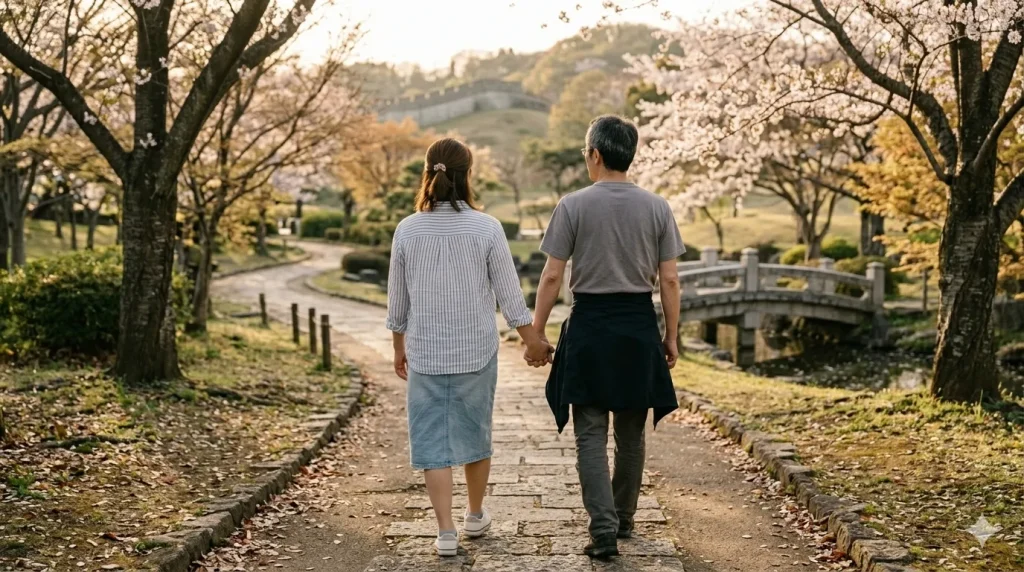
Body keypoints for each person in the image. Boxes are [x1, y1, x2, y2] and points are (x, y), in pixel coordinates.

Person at [386, 138, 553, 557]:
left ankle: (445, 531)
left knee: (431, 440)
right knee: (474, 431)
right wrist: (532, 340)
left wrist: (398, 348)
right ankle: (475, 515)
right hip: (476, 349)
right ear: (468, 175)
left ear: (428, 173)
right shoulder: (487, 227)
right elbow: (510, 296)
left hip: (425, 351)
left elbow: (397, 302)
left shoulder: (407, 229)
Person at [530, 115, 684, 559]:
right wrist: (671, 336)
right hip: (638, 327)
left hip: (591, 327)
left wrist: (536, 332)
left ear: (595, 155)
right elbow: (670, 280)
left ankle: (602, 530)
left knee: (590, 433)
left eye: (585, 153)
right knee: (631, 434)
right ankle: (625, 519)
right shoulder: (657, 207)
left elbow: (552, 275)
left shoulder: (572, 205)